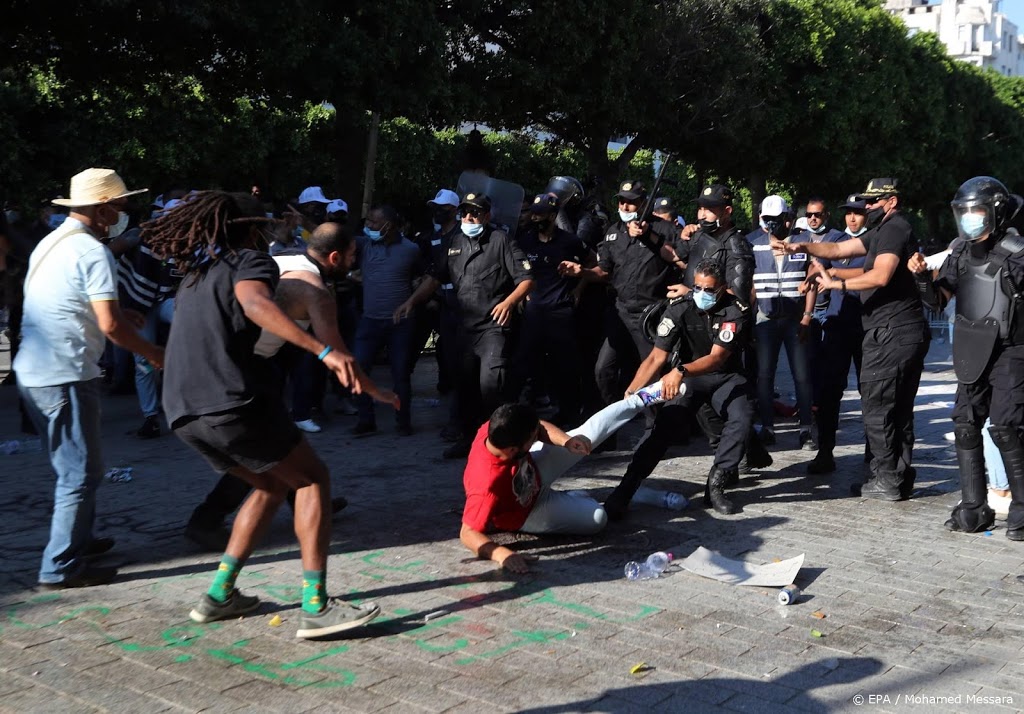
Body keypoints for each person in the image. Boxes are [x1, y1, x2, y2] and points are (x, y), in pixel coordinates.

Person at [147, 190, 381, 638]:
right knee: (313, 479)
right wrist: (323, 350)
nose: (279, 224)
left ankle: (219, 595)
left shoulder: (198, 271)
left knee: (271, 484)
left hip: (181, 409)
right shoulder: (251, 261)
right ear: (251, 225)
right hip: (230, 398)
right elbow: (256, 304)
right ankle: (316, 607)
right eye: (270, 218)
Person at [184, 221, 396, 550]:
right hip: (244, 371)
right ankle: (206, 521)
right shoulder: (317, 290)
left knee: (282, 444)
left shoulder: (283, 258)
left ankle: (306, 503)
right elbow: (338, 353)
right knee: (264, 452)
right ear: (335, 257)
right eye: (353, 256)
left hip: (236, 361)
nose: (356, 263)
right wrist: (374, 390)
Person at [16, 168, 164, 589]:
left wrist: (121, 318)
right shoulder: (92, 252)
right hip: (64, 375)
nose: (123, 213)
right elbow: (111, 327)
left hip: (37, 372)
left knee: (75, 467)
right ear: (102, 210)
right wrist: (153, 352)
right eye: (118, 206)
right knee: (80, 474)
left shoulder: (55, 242)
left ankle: (79, 537)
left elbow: (78, 309)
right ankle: (59, 566)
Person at [774, 178, 929, 501]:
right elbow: (837, 250)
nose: (866, 208)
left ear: (891, 201)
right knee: (893, 407)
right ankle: (897, 476)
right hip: (888, 330)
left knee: (878, 405)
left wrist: (835, 285)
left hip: (892, 331)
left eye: (872, 202)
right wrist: (799, 246)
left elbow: (880, 275)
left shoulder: (894, 229)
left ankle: (887, 477)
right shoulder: (881, 231)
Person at [910, 176, 1024, 538]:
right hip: (974, 347)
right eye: (966, 211)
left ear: (996, 212)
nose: (971, 218)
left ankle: (1021, 509)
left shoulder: (1018, 252)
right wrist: (924, 279)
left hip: (1012, 349)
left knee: (1005, 425)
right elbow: (939, 299)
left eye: (977, 210)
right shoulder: (959, 250)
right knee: (964, 422)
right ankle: (974, 508)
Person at [460, 382, 666, 572]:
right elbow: (467, 533)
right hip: (529, 512)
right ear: (513, 449)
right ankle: (572, 499)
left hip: (535, 472)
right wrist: (501, 554)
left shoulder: (499, 427)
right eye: (532, 439)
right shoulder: (485, 485)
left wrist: (566, 441)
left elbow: (537, 427)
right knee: (597, 519)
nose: (537, 436)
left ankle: (640, 399)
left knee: (585, 437)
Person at [605, 259, 755, 519]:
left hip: (724, 376)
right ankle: (624, 491)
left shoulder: (735, 310)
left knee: (741, 417)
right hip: (688, 380)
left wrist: (680, 371)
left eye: (709, 290)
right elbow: (655, 357)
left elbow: (717, 358)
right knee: (663, 428)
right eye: (697, 287)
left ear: (723, 288)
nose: (702, 294)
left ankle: (716, 484)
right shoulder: (679, 308)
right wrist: (632, 393)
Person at [396, 192, 534, 459]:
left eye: (475, 213)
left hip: (494, 326)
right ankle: (470, 441)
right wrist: (411, 302)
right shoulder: (454, 242)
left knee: (492, 386)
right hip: (464, 327)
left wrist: (508, 303)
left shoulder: (501, 240)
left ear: (487, 215)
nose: (469, 217)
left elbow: (527, 279)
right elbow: (434, 278)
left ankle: (503, 443)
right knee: (465, 388)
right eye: (465, 213)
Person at [558, 180, 681, 434]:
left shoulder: (664, 230)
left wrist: (649, 236)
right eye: (622, 200)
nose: (626, 205)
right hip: (620, 311)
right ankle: (609, 429)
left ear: (644, 204)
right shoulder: (613, 232)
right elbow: (604, 271)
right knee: (603, 369)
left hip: (652, 313)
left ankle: (657, 428)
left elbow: (679, 259)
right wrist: (582, 271)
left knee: (652, 375)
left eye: (632, 201)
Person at [515, 194, 592, 425]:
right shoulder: (525, 241)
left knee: (565, 366)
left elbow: (591, 262)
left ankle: (568, 412)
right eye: (533, 212)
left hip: (561, 313)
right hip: (533, 312)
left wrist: (579, 288)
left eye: (540, 213)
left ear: (552, 216)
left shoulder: (569, 241)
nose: (535, 217)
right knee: (525, 362)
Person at [806, 195, 869, 474]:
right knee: (829, 391)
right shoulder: (838, 242)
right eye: (848, 213)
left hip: (867, 326)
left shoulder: (878, 242)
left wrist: (835, 274)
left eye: (858, 213)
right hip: (836, 324)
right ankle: (825, 451)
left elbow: (873, 272)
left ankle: (875, 455)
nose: (852, 218)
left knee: (871, 393)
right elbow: (815, 267)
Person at [749, 195, 816, 449]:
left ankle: (806, 429)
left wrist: (807, 316)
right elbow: (750, 285)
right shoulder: (753, 244)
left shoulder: (803, 242)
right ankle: (767, 428)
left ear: (787, 219)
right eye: (767, 220)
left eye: (777, 220)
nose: (772, 225)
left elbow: (812, 282)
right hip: (765, 319)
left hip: (794, 319)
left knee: (802, 375)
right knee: (764, 376)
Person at [351, 205, 424, 436]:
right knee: (359, 369)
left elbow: (425, 278)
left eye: (373, 222)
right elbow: (331, 239)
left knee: (401, 374)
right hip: (369, 321)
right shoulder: (364, 245)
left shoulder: (411, 249)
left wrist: (412, 301)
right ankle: (366, 420)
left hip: (400, 324)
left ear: (388, 226)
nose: (368, 226)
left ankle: (403, 422)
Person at [116, 198, 184, 438]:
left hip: (165, 298)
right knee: (143, 363)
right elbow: (124, 264)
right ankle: (150, 417)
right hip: (139, 303)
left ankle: (180, 407)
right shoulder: (145, 236)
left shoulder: (191, 241)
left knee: (190, 321)